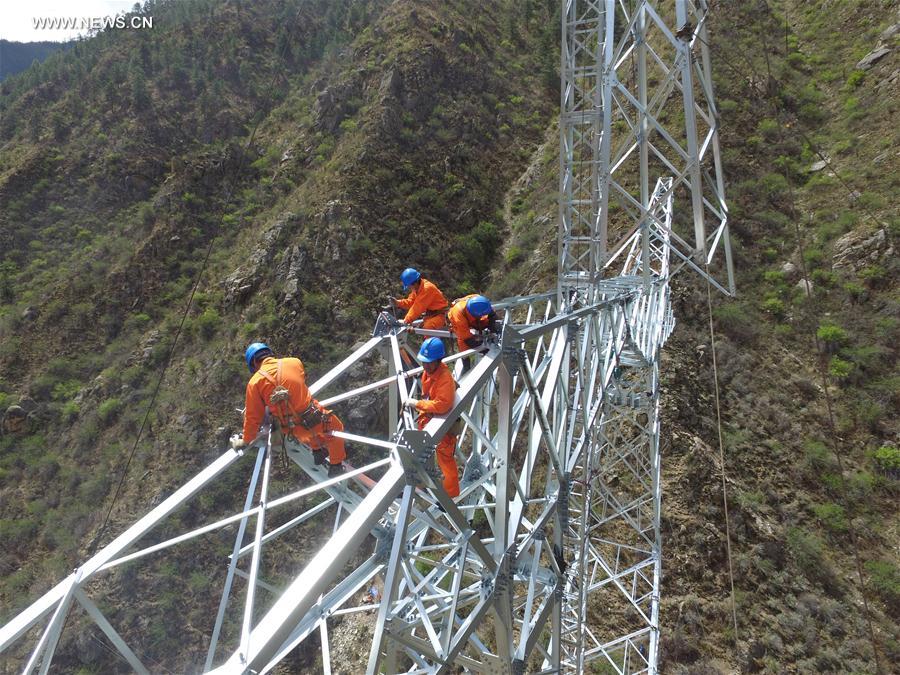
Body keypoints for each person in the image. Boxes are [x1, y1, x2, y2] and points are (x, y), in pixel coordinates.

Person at [236, 343, 346, 477]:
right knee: (335, 428)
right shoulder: (294, 362)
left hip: (292, 429)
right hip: (314, 418)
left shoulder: (254, 383)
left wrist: (246, 440)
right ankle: (336, 465)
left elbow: (253, 417)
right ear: (269, 353)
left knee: (304, 427)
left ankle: (317, 451)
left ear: (253, 363)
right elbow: (301, 381)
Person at [403, 337, 460, 497]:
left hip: (444, 427)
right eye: (424, 362)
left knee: (446, 461)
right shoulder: (428, 373)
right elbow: (428, 395)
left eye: (429, 362)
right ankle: (418, 485)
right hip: (429, 420)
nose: (425, 365)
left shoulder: (445, 379)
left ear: (438, 360)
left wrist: (417, 404)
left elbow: (442, 406)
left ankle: (451, 495)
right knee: (419, 453)